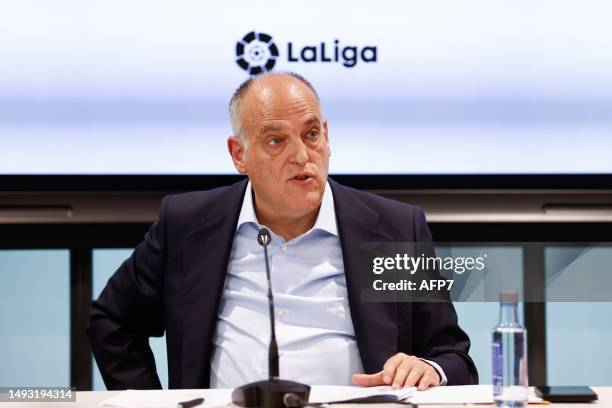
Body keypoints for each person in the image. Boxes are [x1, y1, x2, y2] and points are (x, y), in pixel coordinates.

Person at [88, 72, 478, 391]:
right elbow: (112, 321)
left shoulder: (391, 230)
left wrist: (428, 369)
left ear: (327, 136)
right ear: (239, 155)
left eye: (311, 135)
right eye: (276, 140)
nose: (302, 155)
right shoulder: (189, 225)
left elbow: (452, 356)